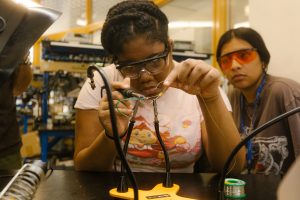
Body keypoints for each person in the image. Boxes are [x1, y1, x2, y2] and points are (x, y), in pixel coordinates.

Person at [74, 0, 245, 173]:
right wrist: (111, 136)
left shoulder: (195, 81)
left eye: (154, 61)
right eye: (130, 67)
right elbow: (84, 168)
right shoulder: (102, 82)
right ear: (116, 60)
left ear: (170, 46)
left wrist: (211, 97)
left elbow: (233, 167)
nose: (145, 76)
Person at [216, 27, 300, 175]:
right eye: (226, 60)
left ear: (263, 59)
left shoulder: (284, 92)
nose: (234, 65)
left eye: (244, 55)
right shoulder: (233, 96)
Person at [0, 54, 32, 170]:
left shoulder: (8, 51)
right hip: (7, 147)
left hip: (6, 149)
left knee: (10, 187)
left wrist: (23, 60)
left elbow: (19, 88)